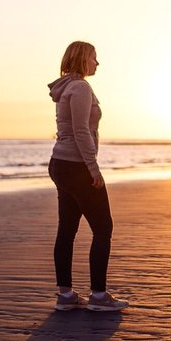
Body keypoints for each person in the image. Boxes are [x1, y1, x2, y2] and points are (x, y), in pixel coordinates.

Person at [47, 41, 128, 312]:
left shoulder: (67, 86)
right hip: (77, 166)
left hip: (61, 163)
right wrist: (93, 169)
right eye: (94, 57)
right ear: (83, 59)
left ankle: (66, 296)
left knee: (67, 230)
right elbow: (81, 131)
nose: (97, 63)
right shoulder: (80, 88)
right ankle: (99, 297)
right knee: (103, 228)